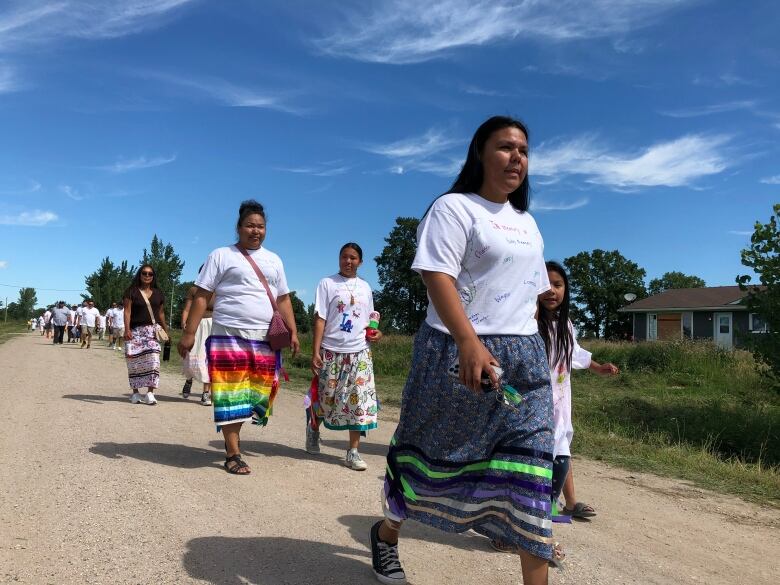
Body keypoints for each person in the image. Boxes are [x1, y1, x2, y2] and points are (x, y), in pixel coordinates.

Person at [369, 117, 553, 585]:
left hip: (522, 361)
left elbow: (525, 291)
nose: (517, 158)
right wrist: (469, 341)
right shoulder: (453, 209)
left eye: (524, 151)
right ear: (480, 154)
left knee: (531, 473)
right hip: (454, 351)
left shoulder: (528, 224)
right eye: (506, 147)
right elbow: (437, 277)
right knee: (428, 462)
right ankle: (388, 534)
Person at [177, 199, 299, 475]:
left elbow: (283, 299)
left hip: (265, 339)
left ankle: (235, 438)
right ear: (239, 227)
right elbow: (202, 296)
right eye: (250, 226)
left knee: (257, 396)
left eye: (261, 226)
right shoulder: (221, 255)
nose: (255, 231)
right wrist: (189, 333)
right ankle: (233, 452)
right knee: (231, 394)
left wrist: (293, 332)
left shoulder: (274, 260)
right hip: (228, 335)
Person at [536, 261, 619, 522]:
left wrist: (598, 367)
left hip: (560, 399)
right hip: (536, 399)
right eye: (545, 284)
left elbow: (575, 353)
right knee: (553, 451)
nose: (551, 291)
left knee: (562, 446)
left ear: (566, 290)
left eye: (558, 285)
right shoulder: (528, 321)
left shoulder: (565, 324)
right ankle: (542, 507)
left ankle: (566, 503)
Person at [306, 242, 381, 470]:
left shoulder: (366, 287)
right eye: (344, 257)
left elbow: (370, 320)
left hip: (359, 351)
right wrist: (316, 350)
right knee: (326, 399)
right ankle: (313, 428)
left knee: (358, 401)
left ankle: (353, 451)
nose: (348, 261)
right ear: (339, 259)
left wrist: (377, 332)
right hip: (331, 351)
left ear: (360, 261)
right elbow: (320, 318)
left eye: (353, 258)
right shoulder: (327, 283)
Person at [123, 265, 169, 405]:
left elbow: (161, 313)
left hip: (152, 331)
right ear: (140, 274)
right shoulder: (131, 292)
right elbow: (127, 312)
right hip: (135, 331)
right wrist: (127, 329)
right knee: (134, 363)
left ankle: (150, 393)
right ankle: (135, 394)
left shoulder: (159, 293)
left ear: (153, 276)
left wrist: (166, 330)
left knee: (154, 361)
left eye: (150, 274)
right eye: (144, 273)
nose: (147, 276)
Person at [180, 274, 214, 405]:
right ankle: (189, 379)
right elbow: (187, 309)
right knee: (192, 355)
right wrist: (184, 322)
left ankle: (206, 393)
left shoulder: (219, 291)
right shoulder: (194, 290)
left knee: (210, 359)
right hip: (196, 325)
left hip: (213, 326)